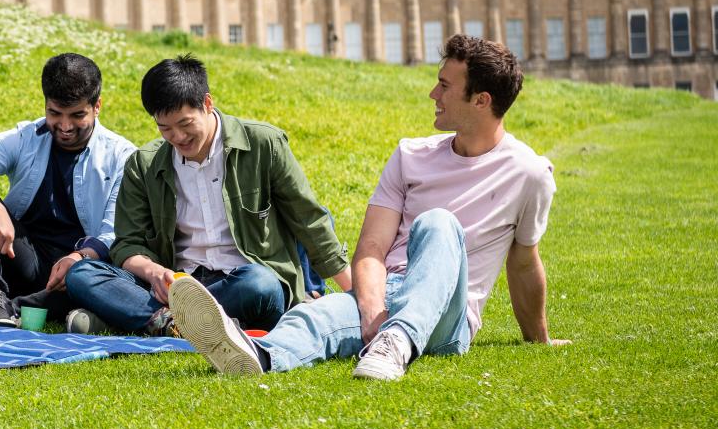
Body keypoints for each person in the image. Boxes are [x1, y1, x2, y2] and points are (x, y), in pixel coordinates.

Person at [169, 34, 566, 381]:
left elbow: (524, 261)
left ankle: (399, 340)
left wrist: (540, 338)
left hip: (449, 315)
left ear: (481, 100)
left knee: (438, 223)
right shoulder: (411, 155)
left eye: (444, 86)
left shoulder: (529, 173)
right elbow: (373, 247)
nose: (433, 94)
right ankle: (260, 355)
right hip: (386, 289)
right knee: (317, 315)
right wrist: (371, 306)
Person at [66, 54, 351, 336]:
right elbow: (127, 243)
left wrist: (357, 296)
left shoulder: (264, 144)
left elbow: (309, 220)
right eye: (165, 128)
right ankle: (187, 324)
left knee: (260, 284)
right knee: (82, 274)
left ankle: (153, 321)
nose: (177, 137)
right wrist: (153, 272)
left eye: (185, 124)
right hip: (176, 285)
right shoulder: (144, 165)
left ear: (207, 103)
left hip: (241, 281)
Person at [0, 53, 137, 326]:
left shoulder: (121, 155)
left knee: (85, 282)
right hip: (22, 258)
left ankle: (1, 305)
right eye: (55, 113)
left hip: (80, 270)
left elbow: (115, 232)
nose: (64, 126)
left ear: (97, 106)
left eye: (77, 115)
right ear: (45, 105)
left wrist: (78, 257)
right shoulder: (26, 137)